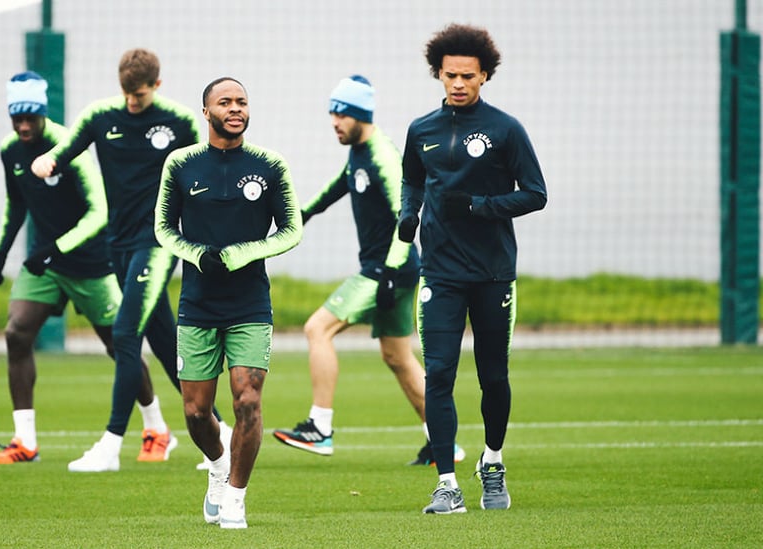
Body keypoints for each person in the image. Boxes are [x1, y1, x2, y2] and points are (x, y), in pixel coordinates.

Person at [31, 49, 231, 472]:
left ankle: (110, 445)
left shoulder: (176, 121)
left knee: (124, 335)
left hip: (157, 243)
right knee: (163, 340)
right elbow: (66, 149)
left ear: (156, 85)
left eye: (139, 94)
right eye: (127, 93)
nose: (132, 102)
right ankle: (221, 432)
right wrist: (47, 160)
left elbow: (199, 171)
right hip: (118, 246)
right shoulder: (101, 116)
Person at [272, 75, 464, 467]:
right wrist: (302, 213)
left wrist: (392, 269)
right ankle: (443, 442)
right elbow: (337, 186)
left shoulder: (382, 154)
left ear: (359, 114)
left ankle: (320, 428)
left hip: (387, 267)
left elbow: (406, 212)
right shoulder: (358, 151)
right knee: (397, 356)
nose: (334, 122)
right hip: (391, 268)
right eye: (332, 114)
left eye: (340, 114)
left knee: (316, 328)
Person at [398, 24, 547, 514]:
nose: (458, 83)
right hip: (438, 272)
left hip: (492, 273)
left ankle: (494, 462)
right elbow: (411, 181)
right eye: (450, 75)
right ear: (438, 74)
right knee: (438, 375)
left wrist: (482, 205)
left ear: (485, 75)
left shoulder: (506, 130)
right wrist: (407, 213)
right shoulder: (421, 130)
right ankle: (446, 484)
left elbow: (535, 193)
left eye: (468, 75)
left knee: (493, 376)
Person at [154, 77, 302, 529]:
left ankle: (236, 496)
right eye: (225, 102)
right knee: (197, 413)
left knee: (248, 401)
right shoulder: (180, 164)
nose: (235, 108)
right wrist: (199, 255)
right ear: (206, 112)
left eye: (241, 101)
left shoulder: (270, 165)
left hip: (249, 305)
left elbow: (292, 229)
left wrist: (240, 254)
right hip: (198, 304)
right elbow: (162, 228)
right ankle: (218, 465)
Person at [0, 71, 131, 464]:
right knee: (17, 334)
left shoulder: (68, 146)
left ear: (43, 113)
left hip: (88, 262)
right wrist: (0, 254)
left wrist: (55, 248)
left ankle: (156, 429)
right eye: (17, 118)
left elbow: (99, 211)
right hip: (42, 264)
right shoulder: (9, 149)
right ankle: (25, 442)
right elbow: (16, 205)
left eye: (31, 117)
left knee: (121, 346)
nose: (24, 125)